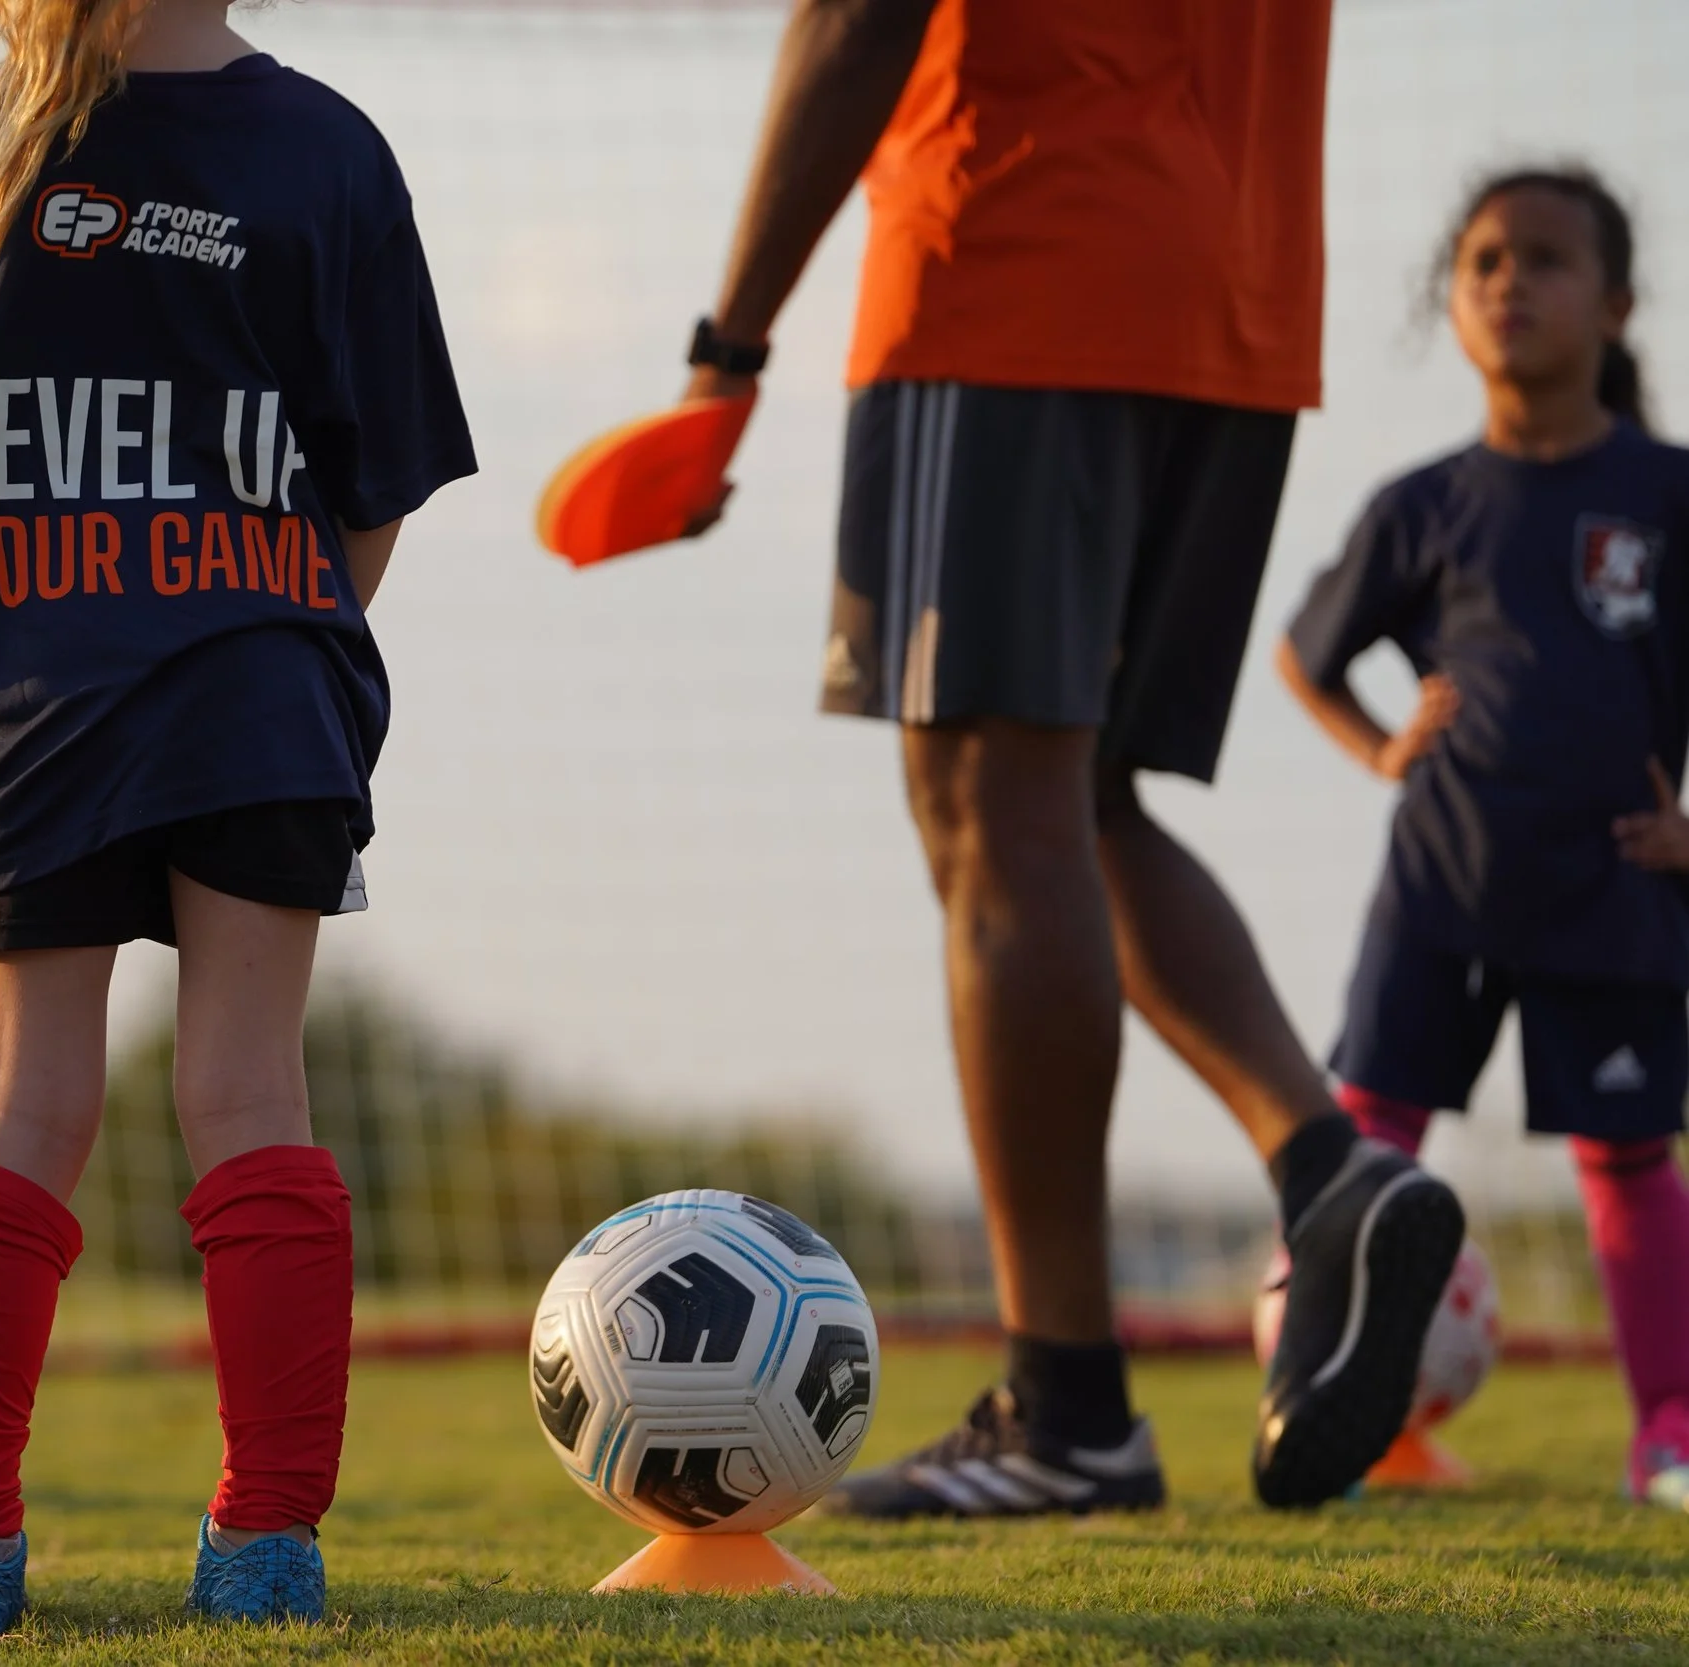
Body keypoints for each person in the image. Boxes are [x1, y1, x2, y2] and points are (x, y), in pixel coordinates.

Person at [673, 0, 1465, 1516]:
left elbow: (856, 19)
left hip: (1012, 263)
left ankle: (1069, 1408)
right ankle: (1329, 1167)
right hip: (1233, 292)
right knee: (1086, 802)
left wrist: (732, 341)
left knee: (990, 810)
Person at [0, 0, 474, 1635]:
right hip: (262, 687)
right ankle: (266, 1552)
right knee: (251, 1092)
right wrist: (272, 622)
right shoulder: (326, 148)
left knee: (23, 1102)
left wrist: (23, 628)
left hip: (37, 694)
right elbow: (371, 495)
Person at [1278, 166, 1689, 1511]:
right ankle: (1314, 1404)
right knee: (1363, 1137)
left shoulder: (1667, 494)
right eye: (1487, 261)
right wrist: (1383, 749)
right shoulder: (1424, 501)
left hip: (1616, 885)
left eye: (1547, 260)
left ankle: (1671, 1436)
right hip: (1441, 882)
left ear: (1617, 302)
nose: (1512, 282)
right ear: (1453, 302)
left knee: (1628, 1158)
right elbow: (1305, 655)